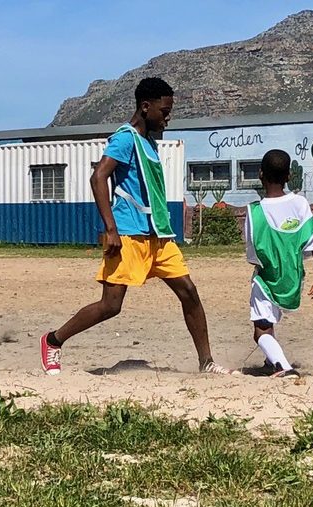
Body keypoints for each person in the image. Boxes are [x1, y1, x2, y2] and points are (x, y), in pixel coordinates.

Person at [39, 77, 229, 376]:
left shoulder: (149, 142)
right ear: (145, 107)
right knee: (110, 306)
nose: (168, 117)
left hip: (159, 237)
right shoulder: (125, 138)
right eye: (164, 111)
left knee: (189, 292)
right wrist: (111, 229)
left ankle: (206, 362)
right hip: (128, 234)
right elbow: (98, 177)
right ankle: (53, 340)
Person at [246, 149, 313, 379]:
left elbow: (253, 254)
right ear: (289, 176)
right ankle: (272, 361)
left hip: (267, 277)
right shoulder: (300, 203)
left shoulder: (255, 211)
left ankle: (283, 367)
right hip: (294, 277)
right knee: (268, 322)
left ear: (260, 174)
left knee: (261, 330)